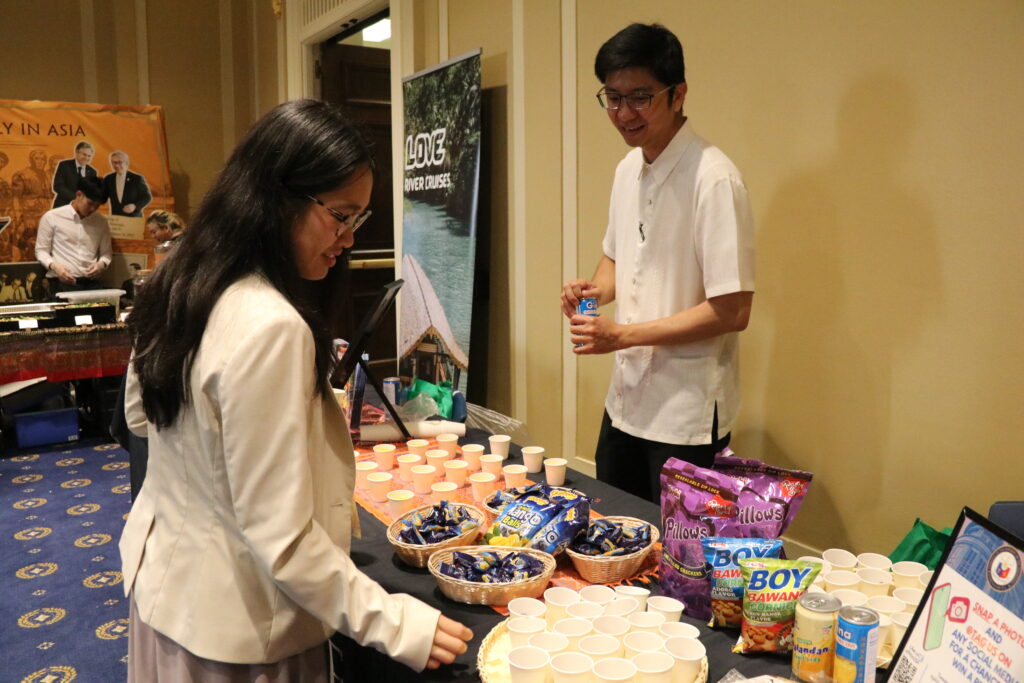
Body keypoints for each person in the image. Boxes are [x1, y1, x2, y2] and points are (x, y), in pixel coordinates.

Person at [119, 99, 472, 681]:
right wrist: (396, 623)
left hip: (167, 594)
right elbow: (281, 540)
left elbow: (140, 416)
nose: (349, 239)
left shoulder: (179, 277)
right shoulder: (269, 324)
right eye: (340, 215)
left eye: (358, 220)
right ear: (277, 196)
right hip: (243, 627)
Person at [561, 23, 755, 502]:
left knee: (678, 562)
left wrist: (621, 335)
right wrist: (594, 291)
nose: (624, 113)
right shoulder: (628, 169)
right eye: (612, 97)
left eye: (640, 97)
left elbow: (733, 310)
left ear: (678, 94)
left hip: (684, 414)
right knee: (613, 540)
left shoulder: (714, 179)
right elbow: (616, 256)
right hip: (625, 400)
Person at [34, 175, 112, 293]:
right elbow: (41, 251)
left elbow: (106, 253)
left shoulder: (101, 222)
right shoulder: (52, 217)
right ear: (79, 194)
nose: (93, 209)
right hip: (61, 283)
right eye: (90, 203)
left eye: (97, 206)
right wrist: (55, 267)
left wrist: (101, 265)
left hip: (91, 284)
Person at [103, 150, 152, 216]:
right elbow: (103, 196)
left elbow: (147, 197)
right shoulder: (108, 178)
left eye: (120, 162)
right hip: (117, 220)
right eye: (114, 162)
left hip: (133, 219)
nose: (117, 165)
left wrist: (135, 206)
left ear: (126, 163)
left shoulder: (137, 178)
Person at [52, 141, 98, 208]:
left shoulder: (92, 172)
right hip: (62, 207)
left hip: (82, 210)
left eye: (89, 156)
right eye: (84, 154)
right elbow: (58, 186)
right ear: (76, 152)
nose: (86, 158)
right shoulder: (64, 165)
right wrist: (76, 198)